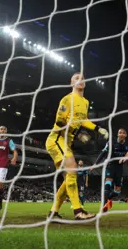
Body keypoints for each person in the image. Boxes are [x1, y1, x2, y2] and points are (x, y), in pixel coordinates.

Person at [46, 73, 109, 221]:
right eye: (76, 78)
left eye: (82, 78)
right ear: (71, 83)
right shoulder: (67, 99)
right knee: (73, 169)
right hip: (56, 139)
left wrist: (97, 129)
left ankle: (53, 213)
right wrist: (79, 133)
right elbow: (59, 121)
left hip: (67, 142)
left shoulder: (85, 102)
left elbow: (83, 120)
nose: (80, 80)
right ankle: (78, 211)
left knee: (69, 178)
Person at [96, 128, 128, 213]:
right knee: (108, 183)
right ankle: (104, 205)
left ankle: (109, 198)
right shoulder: (111, 143)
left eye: (123, 133)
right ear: (118, 135)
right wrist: (96, 164)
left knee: (117, 191)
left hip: (120, 167)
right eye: (120, 133)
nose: (122, 134)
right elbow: (103, 153)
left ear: (125, 135)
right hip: (110, 165)